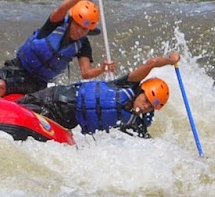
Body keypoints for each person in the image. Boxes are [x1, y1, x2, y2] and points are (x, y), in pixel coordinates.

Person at [0, 0, 116, 100]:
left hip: (36, 83)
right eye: (78, 25)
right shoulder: (55, 23)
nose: (80, 31)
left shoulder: (83, 45)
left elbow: (86, 73)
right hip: (15, 66)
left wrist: (102, 69)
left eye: (85, 29)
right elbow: (63, 7)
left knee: (0, 86)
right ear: (71, 21)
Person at [19, 53, 179, 138]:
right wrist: (168, 60)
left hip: (66, 120)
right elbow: (150, 64)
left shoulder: (135, 124)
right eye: (146, 100)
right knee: (19, 107)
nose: (145, 106)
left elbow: (151, 147)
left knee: (25, 121)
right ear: (141, 91)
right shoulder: (127, 84)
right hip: (58, 96)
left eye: (150, 106)